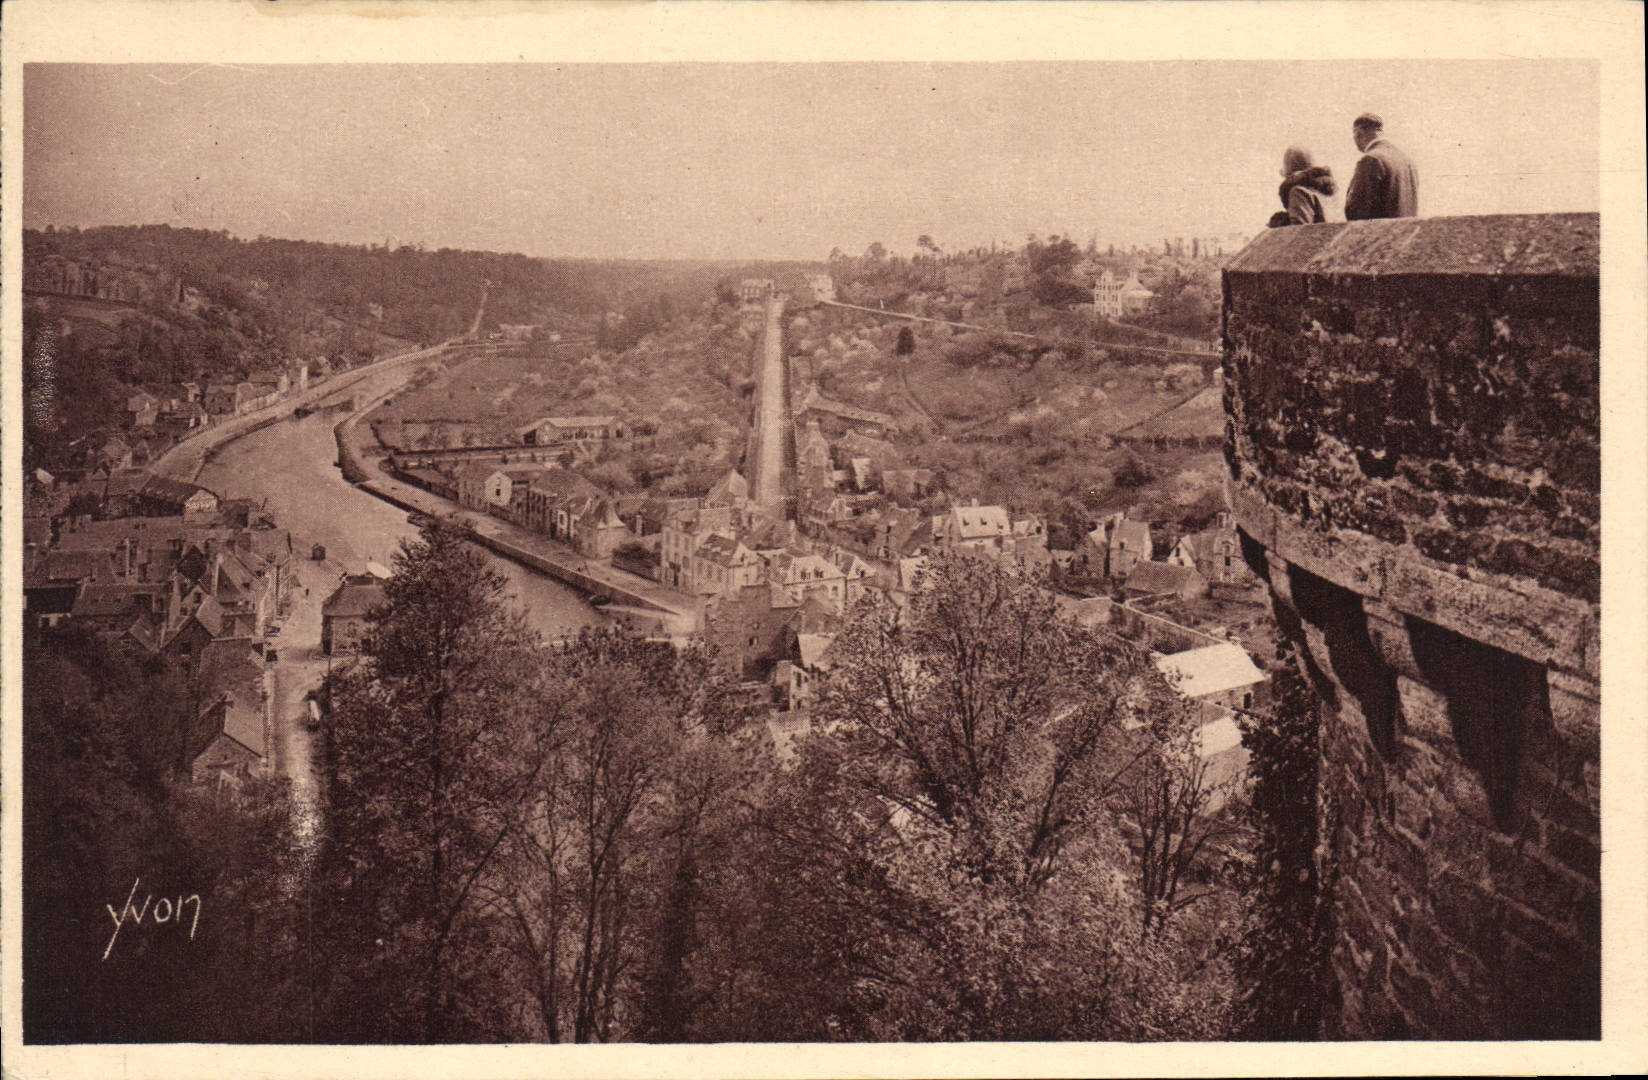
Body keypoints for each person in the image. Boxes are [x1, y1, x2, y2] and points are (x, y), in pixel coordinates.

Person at [1345, 112, 1418, 220]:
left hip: (1379, 234)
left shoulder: (1371, 159)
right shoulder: (1407, 161)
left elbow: (1356, 210)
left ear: (1358, 133)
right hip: (1406, 233)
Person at [1268, 146, 1336, 227]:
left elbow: (1299, 233)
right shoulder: (1332, 195)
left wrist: (1280, 228)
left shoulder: (1299, 192)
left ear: (1289, 175)